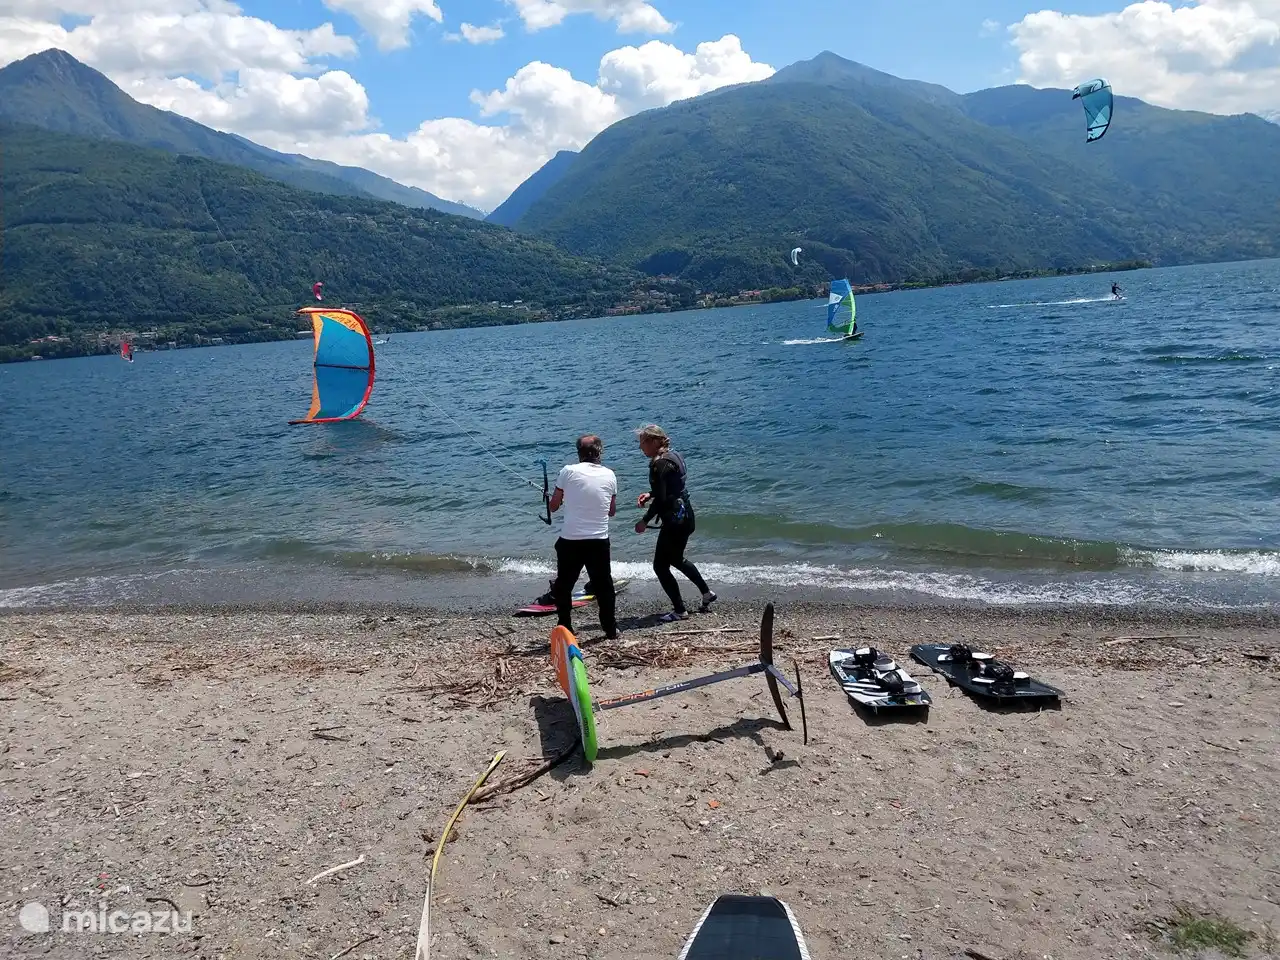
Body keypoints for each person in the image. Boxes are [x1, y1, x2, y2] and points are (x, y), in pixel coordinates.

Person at [634, 424, 716, 622]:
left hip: (674, 521)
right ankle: (706, 593)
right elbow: (672, 487)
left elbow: (662, 500)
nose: (640, 447)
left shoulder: (658, 464)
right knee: (676, 559)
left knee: (660, 566)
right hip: (686, 515)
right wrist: (651, 493)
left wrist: (644, 520)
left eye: (642, 443)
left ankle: (680, 610)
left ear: (653, 442)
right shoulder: (674, 456)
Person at [547, 434, 619, 639]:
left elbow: (553, 506)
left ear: (579, 453)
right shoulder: (610, 475)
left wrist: (560, 499)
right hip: (599, 540)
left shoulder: (568, 471)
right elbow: (611, 511)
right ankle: (610, 628)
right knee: (604, 586)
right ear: (599, 452)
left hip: (571, 540)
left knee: (564, 585)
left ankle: (565, 625)